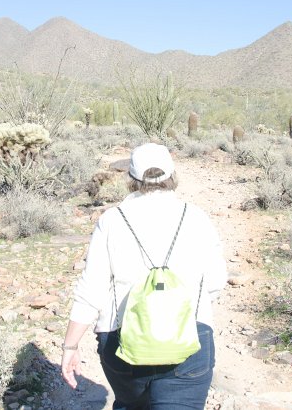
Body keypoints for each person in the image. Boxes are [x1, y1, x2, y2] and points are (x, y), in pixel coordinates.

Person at [61, 143, 228, 409]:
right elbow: (215, 282)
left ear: (132, 178)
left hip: (123, 344)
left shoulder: (112, 220)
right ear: (172, 175)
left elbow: (91, 290)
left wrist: (70, 346)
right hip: (189, 339)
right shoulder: (197, 218)